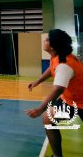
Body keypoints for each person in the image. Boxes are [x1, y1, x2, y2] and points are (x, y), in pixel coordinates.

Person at [27, 29, 83, 157]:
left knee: (46, 115)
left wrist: (40, 108)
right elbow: (51, 69)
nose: (44, 41)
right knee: (48, 118)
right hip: (71, 100)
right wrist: (37, 81)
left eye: (47, 39)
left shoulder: (64, 64)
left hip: (81, 101)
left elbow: (58, 89)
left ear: (53, 46)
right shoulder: (57, 57)